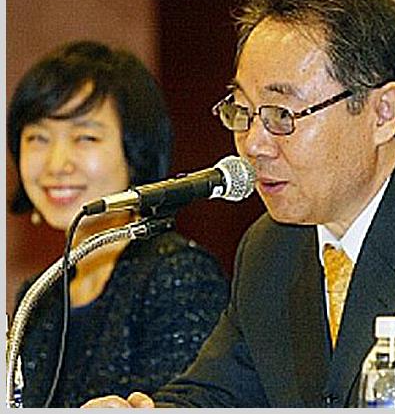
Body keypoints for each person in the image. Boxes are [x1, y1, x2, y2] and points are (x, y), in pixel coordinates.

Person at [81, 0, 395, 408]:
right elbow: (217, 393)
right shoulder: (271, 248)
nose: (253, 144)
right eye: (242, 111)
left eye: (282, 114)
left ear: (382, 112)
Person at [7, 40, 230, 408]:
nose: (56, 163)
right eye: (38, 138)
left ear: (136, 152)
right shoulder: (40, 293)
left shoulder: (178, 274)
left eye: (85, 137)